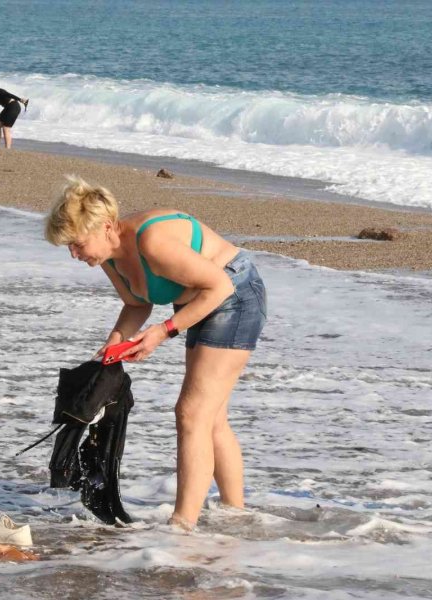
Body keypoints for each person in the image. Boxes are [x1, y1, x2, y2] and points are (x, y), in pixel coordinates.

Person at [44, 176, 267, 530]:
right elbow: (136, 304)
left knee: (191, 413)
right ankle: (234, 515)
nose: (74, 253)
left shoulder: (152, 241)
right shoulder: (107, 255)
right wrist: (114, 344)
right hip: (202, 300)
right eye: (68, 247)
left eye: (77, 243)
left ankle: (182, 527)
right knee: (211, 417)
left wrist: (163, 331)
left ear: (104, 227)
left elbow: (219, 286)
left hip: (234, 295)